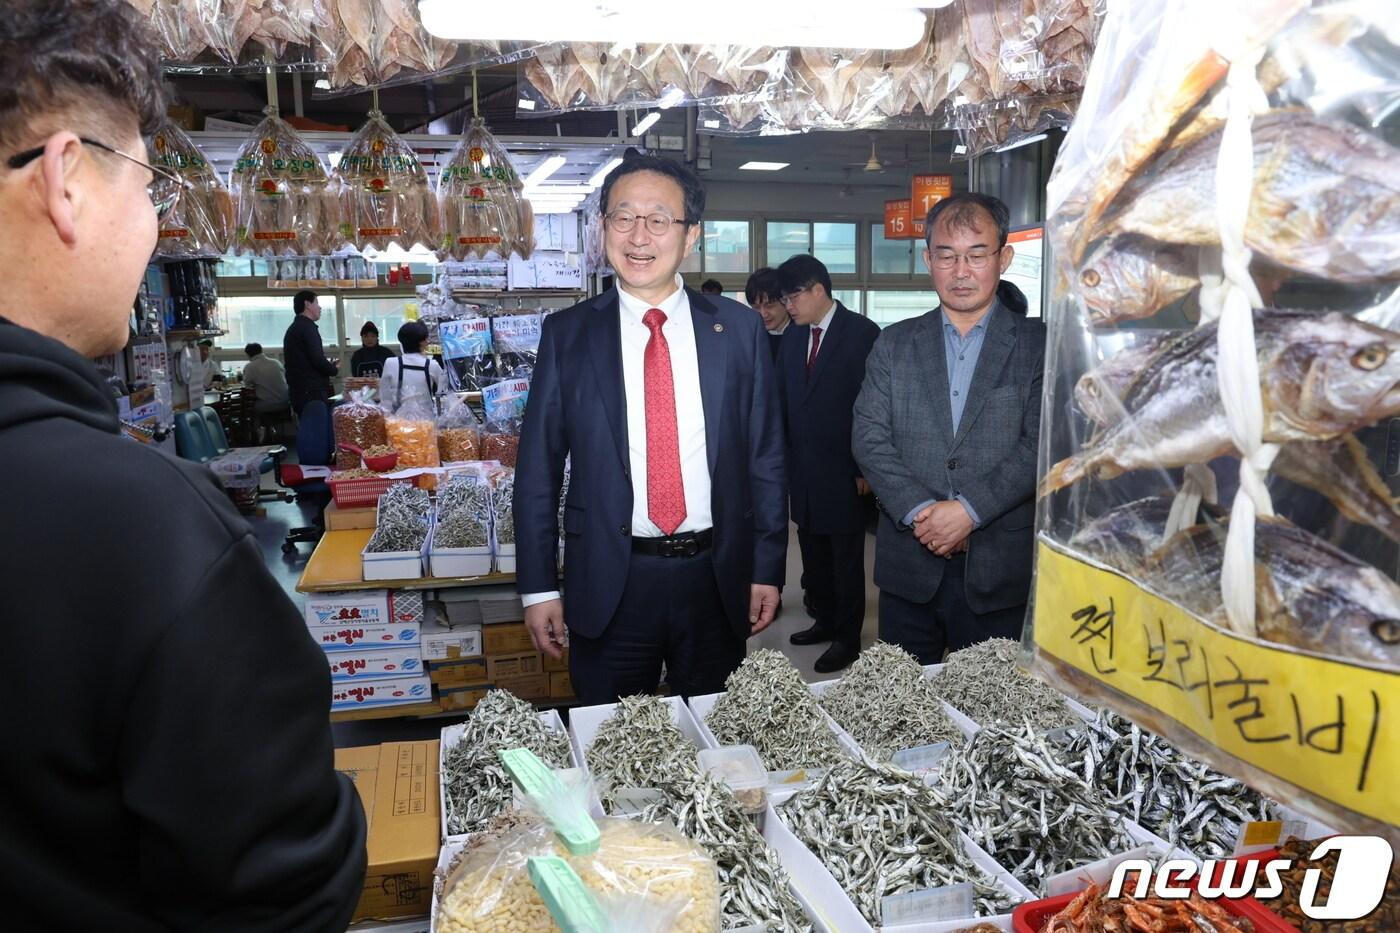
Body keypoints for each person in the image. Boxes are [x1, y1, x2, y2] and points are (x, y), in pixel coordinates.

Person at [0, 2, 366, 930]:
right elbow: (285, 890)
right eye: (151, 185)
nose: (158, 228)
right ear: (66, 181)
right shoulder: (147, 528)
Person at [514, 151, 786, 704]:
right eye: (623, 217)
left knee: (715, 741)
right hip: (610, 581)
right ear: (603, 229)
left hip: (714, 576)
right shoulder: (568, 335)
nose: (639, 235)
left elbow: (767, 458)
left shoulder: (737, 331)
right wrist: (538, 586)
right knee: (611, 744)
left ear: (690, 237)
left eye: (659, 219)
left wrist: (768, 567)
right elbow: (537, 470)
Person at [853, 192, 1046, 664]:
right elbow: (869, 437)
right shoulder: (894, 344)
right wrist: (924, 512)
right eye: (947, 255)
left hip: (999, 575)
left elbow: (1040, 444)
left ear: (1003, 257)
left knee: (992, 721)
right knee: (901, 716)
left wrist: (968, 511)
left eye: (977, 255)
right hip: (907, 574)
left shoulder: (1038, 345)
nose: (961, 271)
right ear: (928, 260)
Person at [774, 255, 880, 673]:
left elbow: (872, 408)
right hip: (802, 469)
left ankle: (847, 638)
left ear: (818, 289)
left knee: (846, 560)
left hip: (845, 472)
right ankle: (826, 620)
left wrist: (865, 468)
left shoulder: (862, 334)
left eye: (793, 296)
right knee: (814, 554)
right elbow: (787, 401)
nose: (789, 306)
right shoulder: (794, 337)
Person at [282, 289, 338, 415]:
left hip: (300, 391)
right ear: (307, 304)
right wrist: (333, 369)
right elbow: (317, 360)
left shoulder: (295, 328)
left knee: (310, 429)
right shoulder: (307, 328)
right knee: (316, 431)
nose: (320, 307)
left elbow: (307, 360)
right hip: (311, 393)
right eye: (317, 303)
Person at [379, 320, 444, 415]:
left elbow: (385, 399)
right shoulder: (432, 365)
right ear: (422, 342)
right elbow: (444, 392)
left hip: (397, 422)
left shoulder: (390, 363)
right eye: (426, 338)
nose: (428, 341)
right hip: (426, 423)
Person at [744, 266, 790, 360]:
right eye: (756, 307)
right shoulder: (750, 338)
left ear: (785, 301)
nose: (763, 314)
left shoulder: (804, 334)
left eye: (769, 306)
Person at [241, 342, 290, 414]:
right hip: (286, 402)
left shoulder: (250, 367)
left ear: (248, 355)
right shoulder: (276, 362)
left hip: (268, 404)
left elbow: (247, 386)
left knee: (247, 409)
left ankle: (257, 425)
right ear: (261, 351)